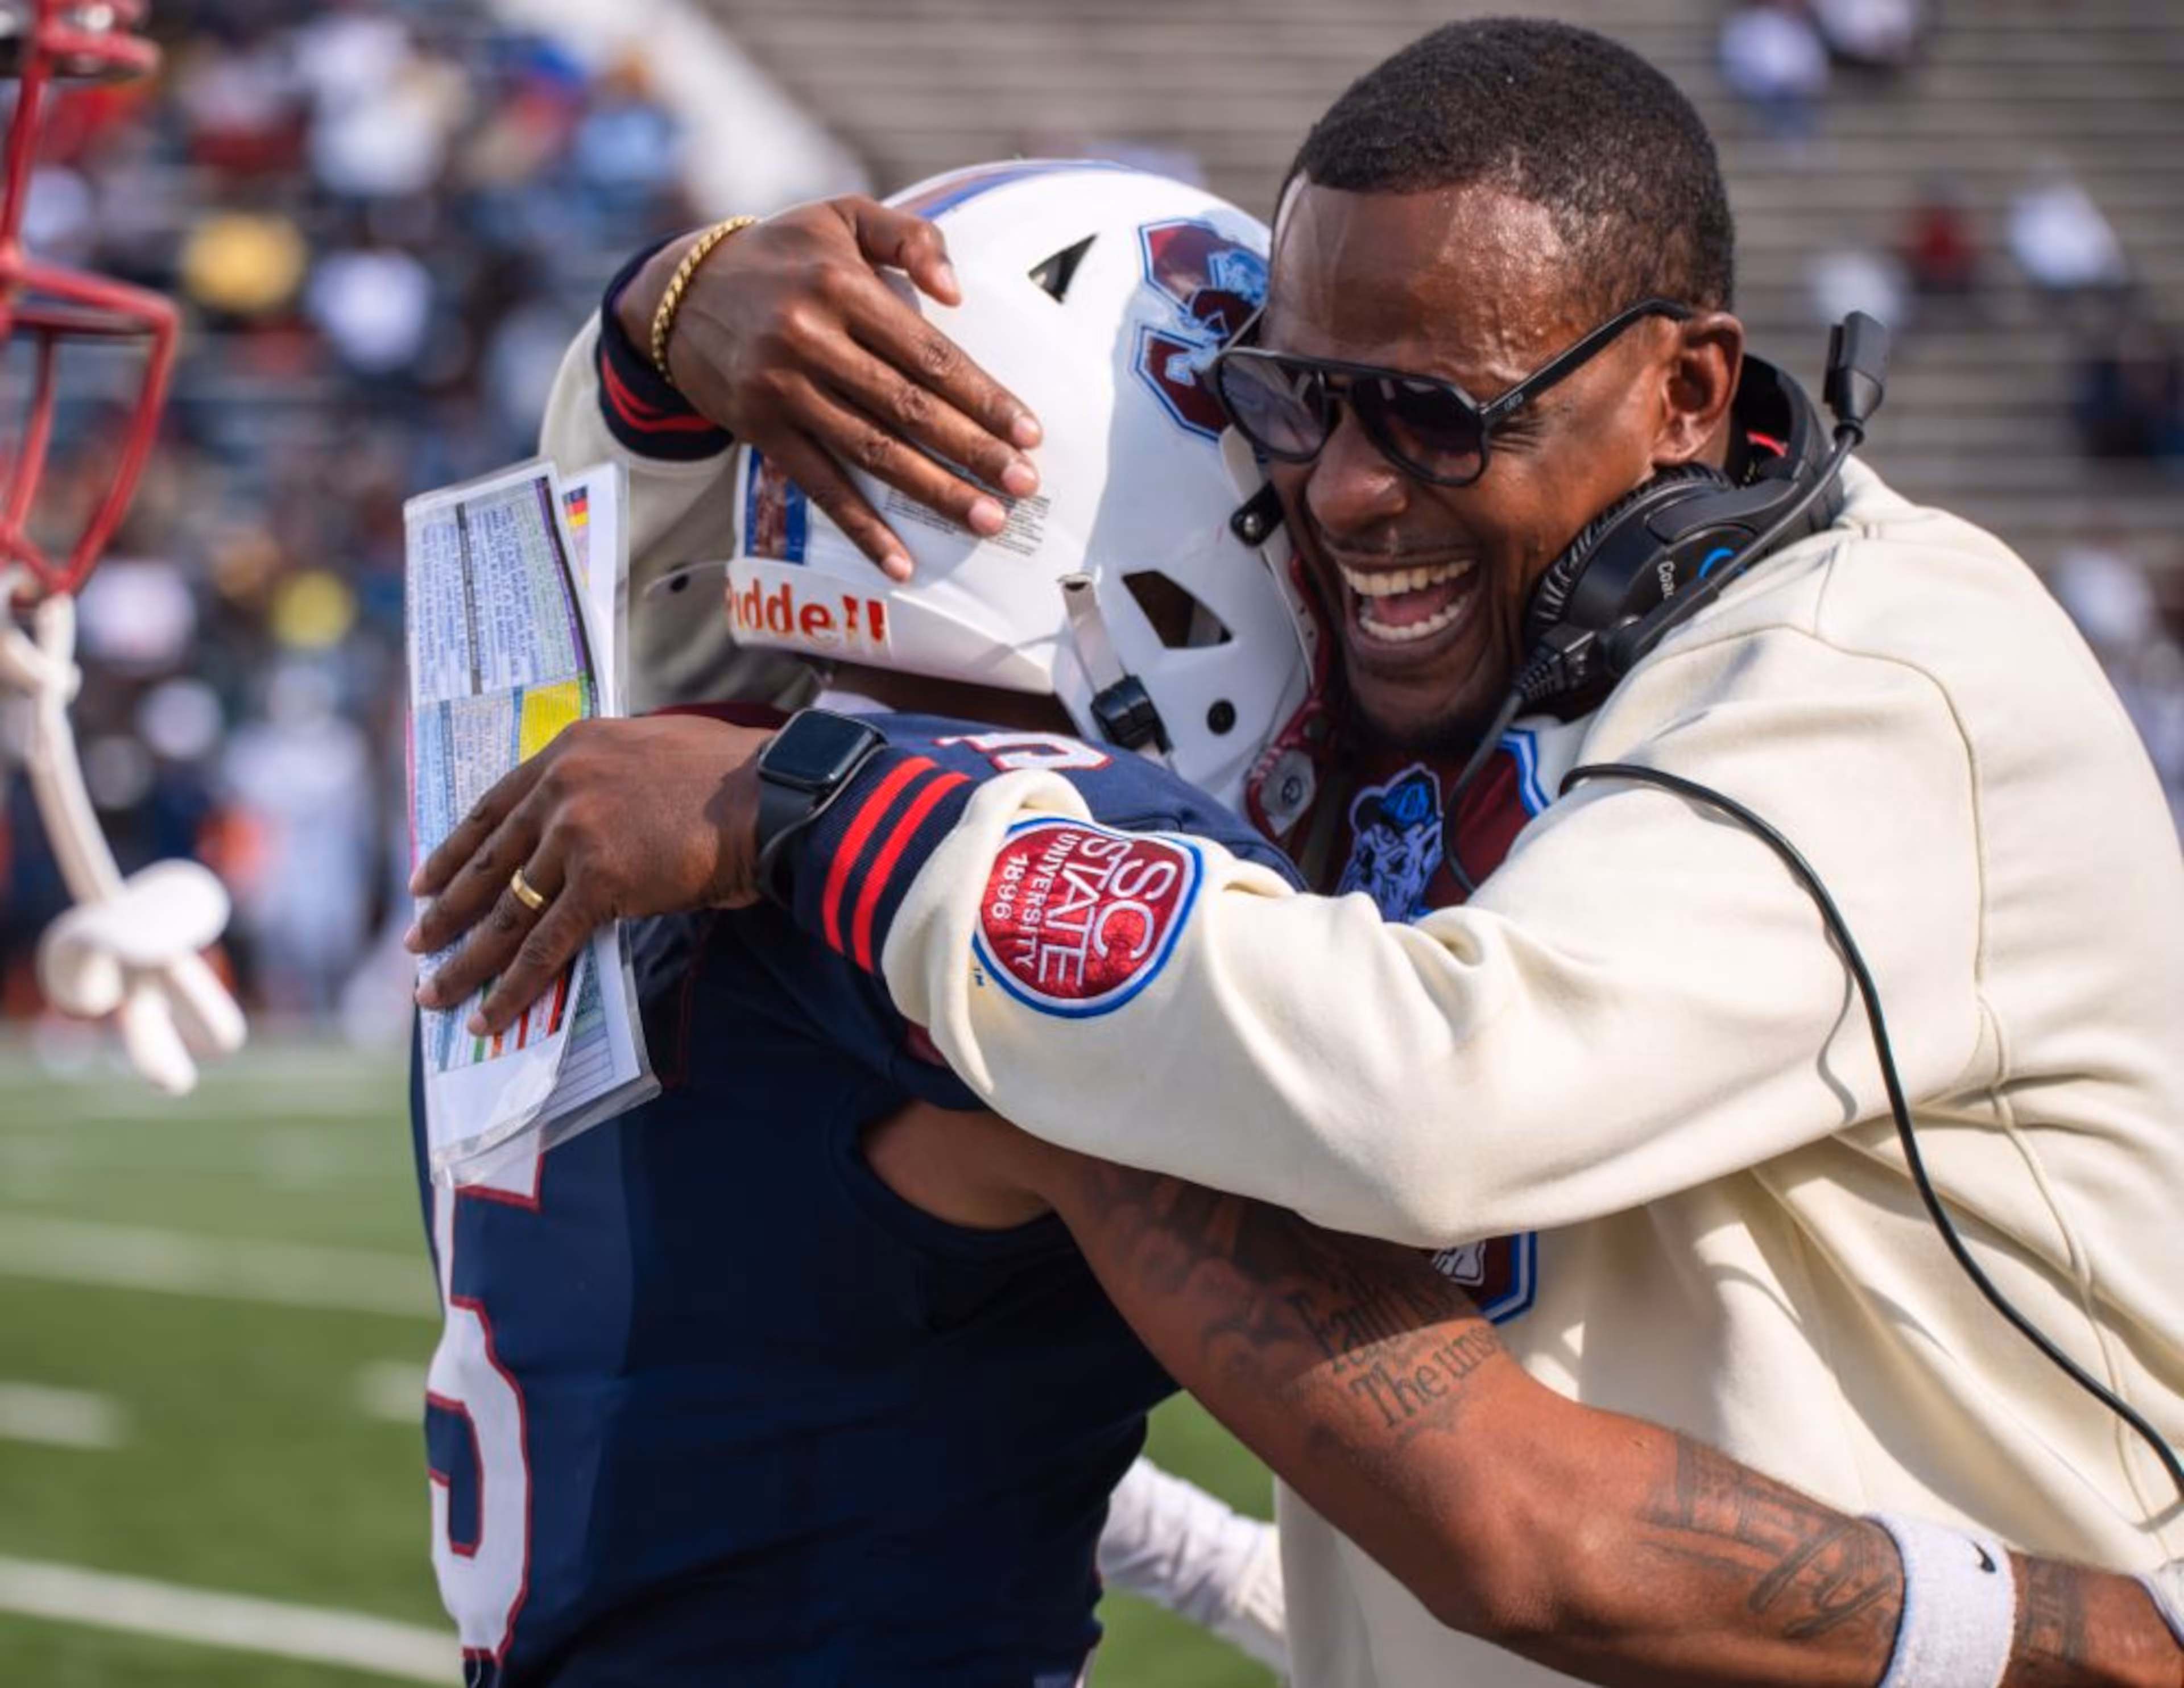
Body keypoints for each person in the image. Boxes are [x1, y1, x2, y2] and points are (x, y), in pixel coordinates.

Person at [410, 20, 2184, 1688]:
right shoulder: (1460, 646)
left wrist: (811, 764)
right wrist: (671, 320)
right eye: (1287, 411)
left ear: (1686, 393)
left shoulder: (1864, 669)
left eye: (1431, 413)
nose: (1336, 495)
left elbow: (1439, 1099)